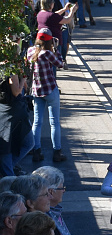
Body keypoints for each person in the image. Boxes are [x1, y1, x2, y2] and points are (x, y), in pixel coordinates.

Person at [28, 28, 67, 163]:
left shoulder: (30, 51)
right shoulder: (47, 53)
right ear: (50, 40)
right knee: (54, 122)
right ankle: (57, 151)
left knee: (37, 122)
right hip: (50, 90)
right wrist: (57, 49)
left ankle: (36, 151)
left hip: (36, 91)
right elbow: (60, 64)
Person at [32, 167, 73, 235]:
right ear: (51, 191)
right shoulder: (41, 219)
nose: (63, 191)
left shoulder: (54, 212)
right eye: (62, 188)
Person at [0, 70, 33, 177]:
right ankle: (7, 174)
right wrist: (24, 76)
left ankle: (8, 170)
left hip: (6, 110)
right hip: (13, 112)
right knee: (23, 143)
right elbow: (16, 91)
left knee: (7, 146)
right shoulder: (11, 67)